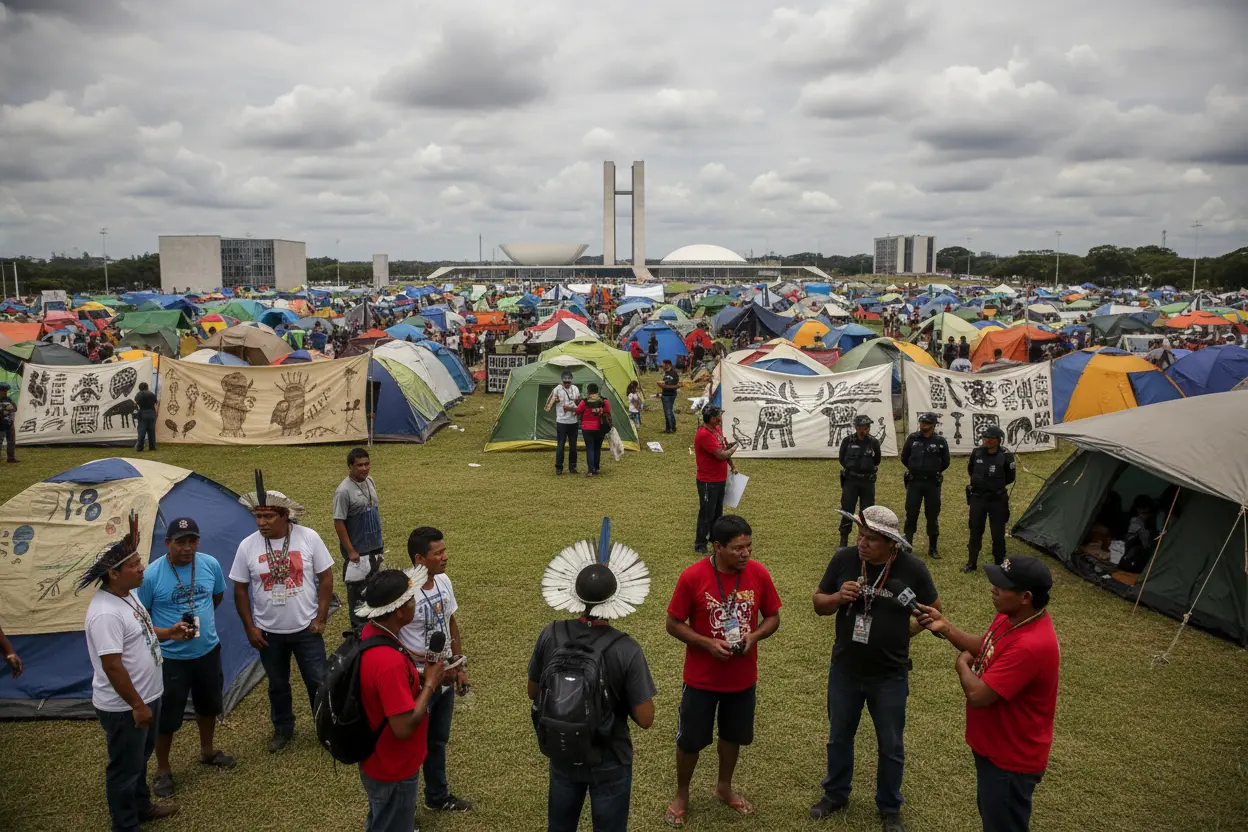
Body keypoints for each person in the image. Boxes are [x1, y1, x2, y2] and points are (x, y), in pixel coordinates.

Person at [810, 506, 940, 831]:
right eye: (860, 535)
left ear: (891, 544)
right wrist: (838, 597)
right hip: (845, 669)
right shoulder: (844, 559)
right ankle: (836, 794)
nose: (862, 544)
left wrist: (908, 630)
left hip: (890, 674)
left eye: (871, 539)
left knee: (891, 744)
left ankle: (889, 807)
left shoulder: (912, 569)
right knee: (839, 737)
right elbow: (818, 604)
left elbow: (935, 611)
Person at [913, 555, 1059, 832]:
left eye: (1002, 586)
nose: (993, 588)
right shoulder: (1012, 616)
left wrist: (961, 665)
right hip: (995, 748)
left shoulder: (1031, 645)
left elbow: (979, 695)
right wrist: (946, 626)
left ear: (1026, 596)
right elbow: (986, 646)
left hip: (1010, 759)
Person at [528, 521, 657, 832]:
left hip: (562, 749)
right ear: (618, 596)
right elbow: (646, 717)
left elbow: (534, 691)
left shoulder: (551, 634)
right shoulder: (626, 648)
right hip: (610, 756)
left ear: (574, 591)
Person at [80, 515, 195, 830]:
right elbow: (112, 665)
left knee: (139, 759)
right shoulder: (104, 613)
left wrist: (168, 633)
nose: (142, 567)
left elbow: (142, 632)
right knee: (124, 768)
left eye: (140, 561)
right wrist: (137, 705)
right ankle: (126, 824)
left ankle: (142, 807)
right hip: (126, 707)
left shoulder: (127, 595)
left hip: (149, 696)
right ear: (114, 574)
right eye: (134, 565)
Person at [665, 514, 780, 828]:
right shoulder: (693, 577)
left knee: (733, 736)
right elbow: (673, 624)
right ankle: (682, 794)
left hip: (742, 680)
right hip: (701, 680)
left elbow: (772, 617)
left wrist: (754, 636)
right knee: (690, 740)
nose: (745, 554)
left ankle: (724, 787)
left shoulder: (758, 574)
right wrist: (706, 643)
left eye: (749, 546)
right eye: (737, 548)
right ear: (717, 547)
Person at [229, 475, 334, 752]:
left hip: (306, 630)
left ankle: (326, 729)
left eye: (268, 516)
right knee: (277, 685)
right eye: (258, 516)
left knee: (318, 681)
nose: (261, 522)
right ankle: (283, 729)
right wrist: (250, 627)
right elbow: (239, 589)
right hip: (268, 632)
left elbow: (326, 577)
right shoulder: (247, 546)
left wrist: (321, 617)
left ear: (284, 515)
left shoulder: (308, 538)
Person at [136, 518, 235, 798]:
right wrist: (169, 633)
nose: (187, 548)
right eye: (181, 542)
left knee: (208, 705)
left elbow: (215, 598)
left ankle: (207, 751)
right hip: (171, 659)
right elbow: (140, 620)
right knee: (167, 717)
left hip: (207, 651)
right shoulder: (152, 575)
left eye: (192, 541)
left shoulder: (210, 564)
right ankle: (163, 770)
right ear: (168, 544)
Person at [354, 569, 447, 832]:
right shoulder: (389, 663)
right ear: (399, 611)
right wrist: (430, 683)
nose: (415, 603)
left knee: (380, 819)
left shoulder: (372, 633)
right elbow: (403, 727)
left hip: (378, 760)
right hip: (393, 767)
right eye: (411, 600)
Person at [398, 528, 472, 813]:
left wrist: (458, 664)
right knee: (412, 748)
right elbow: (394, 639)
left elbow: (450, 622)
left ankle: (437, 797)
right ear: (419, 558)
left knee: (438, 741)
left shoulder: (443, 580)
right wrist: (424, 667)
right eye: (438, 553)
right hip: (416, 682)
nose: (445, 557)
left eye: (444, 550)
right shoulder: (403, 592)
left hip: (444, 677)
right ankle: (404, 814)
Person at [333, 448, 385, 630]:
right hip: (358, 552)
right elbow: (339, 523)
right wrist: (350, 551)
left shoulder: (370, 481)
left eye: (367, 464)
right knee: (357, 595)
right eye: (359, 465)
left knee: (376, 590)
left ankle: (376, 627)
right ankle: (359, 634)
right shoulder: (343, 491)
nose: (364, 468)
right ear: (350, 467)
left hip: (375, 547)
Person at [964, 426, 1017, 573]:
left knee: (998, 533)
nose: (986, 441)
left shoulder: (1006, 456)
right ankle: (971, 563)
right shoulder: (977, 452)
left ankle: (999, 564)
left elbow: (1010, 477)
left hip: (997, 500)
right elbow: (971, 469)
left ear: (998, 440)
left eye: (990, 439)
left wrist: (994, 486)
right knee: (975, 531)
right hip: (978, 498)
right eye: (985, 438)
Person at [901, 413, 950, 559]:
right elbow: (904, 457)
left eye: (926, 423)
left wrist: (933, 470)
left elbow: (946, 462)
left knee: (932, 515)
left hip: (932, 483)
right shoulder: (912, 439)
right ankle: (907, 545)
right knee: (911, 513)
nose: (923, 425)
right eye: (922, 423)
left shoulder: (940, 441)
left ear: (933, 425)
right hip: (915, 482)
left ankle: (933, 547)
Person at [693, 405, 738, 554]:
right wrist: (734, 449)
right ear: (709, 418)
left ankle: (714, 539)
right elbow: (722, 454)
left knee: (718, 512)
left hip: (719, 479)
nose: (719, 419)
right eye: (716, 417)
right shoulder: (704, 434)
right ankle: (700, 544)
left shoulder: (716, 430)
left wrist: (732, 465)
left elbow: (724, 449)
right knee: (707, 514)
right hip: (708, 481)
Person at [838, 414, 882, 549]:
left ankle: (864, 539)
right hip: (851, 481)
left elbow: (877, 460)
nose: (862, 431)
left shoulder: (873, 442)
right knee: (847, 510)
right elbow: (842, 459)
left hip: (867, 482)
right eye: (859, 428)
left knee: (867, 512)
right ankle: (843, 540)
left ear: (868, 429)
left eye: (865, 428)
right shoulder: (848, 441)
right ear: (856, 428)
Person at [546, 370, 580, 475]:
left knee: (573, 446)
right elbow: (547, 405)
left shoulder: (575, 389)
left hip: (573, 421)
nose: (567, 384)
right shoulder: (557, 389)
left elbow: (579, 402)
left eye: (569, 382)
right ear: (562, 381)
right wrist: (553, 401)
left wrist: (577, 401)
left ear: (571, 381)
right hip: (561, 421)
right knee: (560, 445)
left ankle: (572, 467)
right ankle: (559, 467)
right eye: (565, 382)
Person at [577, 382, 612, 476]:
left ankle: (590, 470)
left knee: (590, 448)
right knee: (597, 448)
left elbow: (578, 410)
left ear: (588, 391)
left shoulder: (584, 401)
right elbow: (608, 411)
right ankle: (596, 468)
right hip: (599, 427)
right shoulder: (604, 400)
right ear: (597, 391)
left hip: (587, 428)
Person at [1119, 495, 1158, 572]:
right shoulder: (1134, 519)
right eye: (1140, 508)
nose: (1142, 511)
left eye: (1145, 509)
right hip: (1131, 547)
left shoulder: (1152, 519)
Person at [133, 382, 158, 452]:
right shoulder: (152, 394)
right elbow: (156, 404)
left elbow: (135, 404)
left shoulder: (139, 394)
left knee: (142, 431)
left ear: (140, 388)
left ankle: (140, 448)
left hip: (143, 413)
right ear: (147, 387)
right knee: (151, 431)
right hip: (152, 413)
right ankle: (152, 447)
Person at [659, 358, 679, 433]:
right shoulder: (666, 373)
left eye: (663, 364)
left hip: (670, 395)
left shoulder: (674, 374)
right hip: (665, 394)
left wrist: (664, 386)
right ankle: (671, 427)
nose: (662, 366)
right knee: (669, 411)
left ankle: (670, 429)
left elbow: (676, 385)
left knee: (668, 412)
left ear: (667, 365)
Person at [0, 381, 16, 463]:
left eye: (6, 391)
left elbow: (15, 409)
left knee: (11, 441)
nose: (5, 392)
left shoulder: (8, 399)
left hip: (9, 423)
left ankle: (11, 458)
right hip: (1, 424)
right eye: (3, 391)